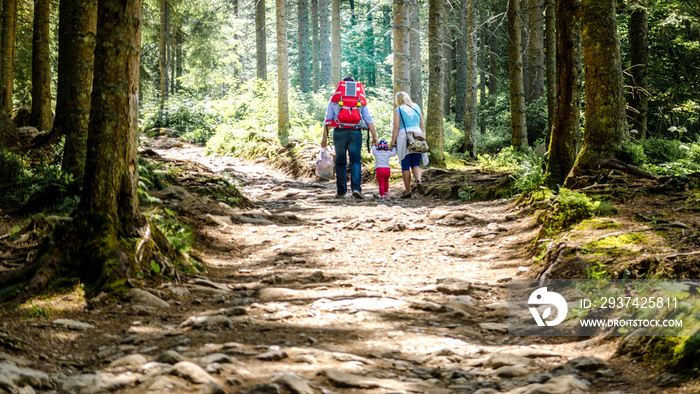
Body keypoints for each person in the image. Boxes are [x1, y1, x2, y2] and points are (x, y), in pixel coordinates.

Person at [321, 76, 378, 199]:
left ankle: (341, 191)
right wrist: (374, 136)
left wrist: (324, 139)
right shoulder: (359, 98)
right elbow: (368, 118)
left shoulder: (335, 98)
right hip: (355, 132)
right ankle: (356, 189)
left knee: (340, 162)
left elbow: (328, 119)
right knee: (355, 161)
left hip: (339, 132)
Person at [390, 91, 425, 198]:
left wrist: (392, 143)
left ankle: (408, 192)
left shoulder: (398, 110)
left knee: (405, 164)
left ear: (398, 100)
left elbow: (396, 127)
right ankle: (418, 180)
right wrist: (424, 138)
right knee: (415, 163)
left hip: (404, 136)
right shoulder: (417, 107)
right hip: (418, 135)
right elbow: (422, 125)